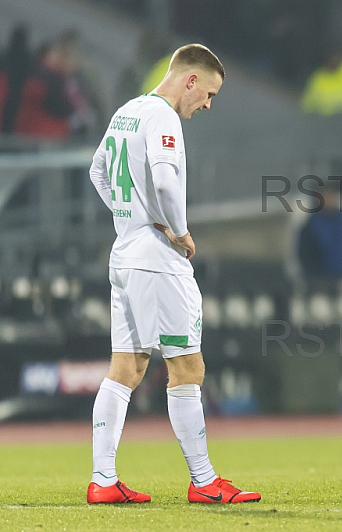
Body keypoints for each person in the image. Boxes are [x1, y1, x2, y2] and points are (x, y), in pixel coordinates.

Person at [87, 44, 260, 504]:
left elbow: (98, 171)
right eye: (208, 93)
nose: (206, 104)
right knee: (187, 366)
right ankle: (204, 482)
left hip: (123, 255)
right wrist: (177, 231)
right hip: (157, 260)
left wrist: (127, 216)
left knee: (125, 368)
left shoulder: (128, 110)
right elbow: (164, 182)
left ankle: (102, 480)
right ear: (190, 80)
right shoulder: (162, 117)